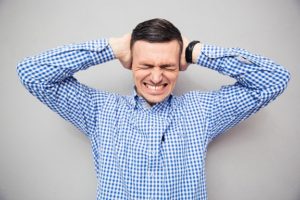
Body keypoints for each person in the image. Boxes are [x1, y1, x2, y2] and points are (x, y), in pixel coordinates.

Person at [17, 18, 290, 199]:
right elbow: (32, 73)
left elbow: (275, 79)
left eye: (167, 66)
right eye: (146, 65)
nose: (157, 77)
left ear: (179, 66)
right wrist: (113, 48)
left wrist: (195, 51)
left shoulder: (203, 110)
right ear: (130, 63)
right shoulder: (99, 110)